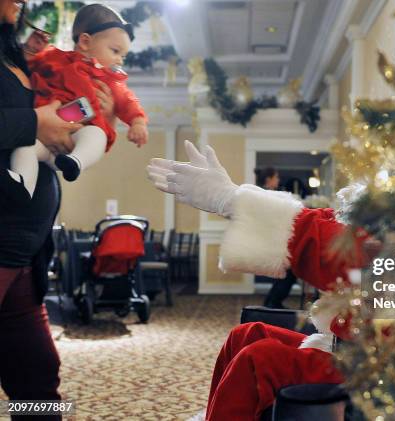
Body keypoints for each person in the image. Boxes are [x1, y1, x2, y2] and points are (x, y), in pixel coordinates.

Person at [147, 141, 369, 420]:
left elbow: (355, 255)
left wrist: (231, 199)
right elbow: (328, 221)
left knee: (258, 359)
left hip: (373, 369)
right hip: (344, 343)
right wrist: (237, 198)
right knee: (247, 333)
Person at [0, 0, 114, 415]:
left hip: (24, 256)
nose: (22, 2)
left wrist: (98, 115)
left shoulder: (17, 53)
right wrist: (35, 124)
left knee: (37, 383)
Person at [9, 3, 148, 199]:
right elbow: (28, 67)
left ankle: (75, 162)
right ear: (84, 41)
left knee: (96, 134)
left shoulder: (109, 80)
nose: (120, 61)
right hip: (43, 136)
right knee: (25, 148)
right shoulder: (56, 58)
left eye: (123, 56)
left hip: (76, 137)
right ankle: (22, 187)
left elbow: (128, 101)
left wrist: (138, 122)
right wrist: (31, 50)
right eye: (115, 51)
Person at [254, 166, 298, 309]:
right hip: (272, 240)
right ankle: (273, 304)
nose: (278, 180)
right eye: (276, 177)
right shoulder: (267, 195)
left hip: (275, 239)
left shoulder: (268, 194)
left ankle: (271, 303)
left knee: (285, 274)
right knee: (287, 273)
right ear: (269, 179)